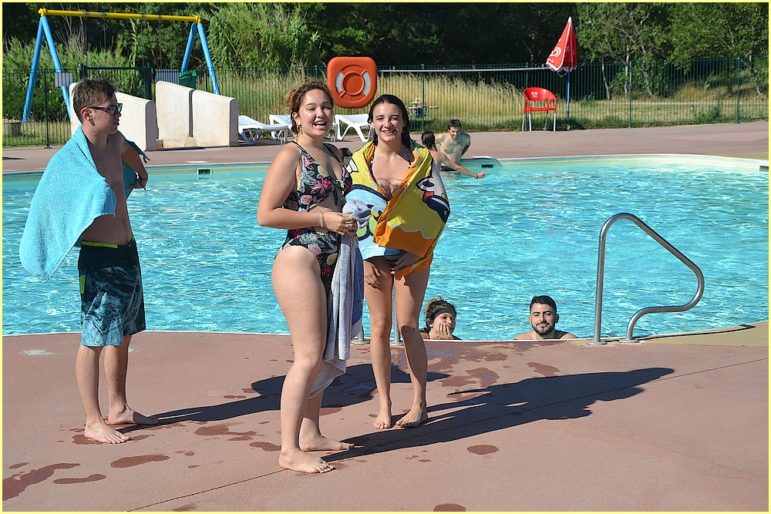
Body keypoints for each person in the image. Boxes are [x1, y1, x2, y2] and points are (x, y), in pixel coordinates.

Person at [19, 78, 155, 444]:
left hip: (127, 252)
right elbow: (49, 206)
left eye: (118, 108)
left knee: (123, 334)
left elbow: (129, 151)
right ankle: (92, 420)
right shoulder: (71, 161)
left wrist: (140, 173)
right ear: (88, 114)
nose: (118, 115)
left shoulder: (114, 142)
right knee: (93, 339)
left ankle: (119, 407)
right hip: (99, 258)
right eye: (112, 109)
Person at [257, 80, 358, 474]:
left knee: (326, 350)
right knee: (308, 355)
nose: (320, 114)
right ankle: (288, 449)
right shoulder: (291, 155)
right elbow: (266, 214)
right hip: (301, 259)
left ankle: (311, 432)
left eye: (326, 106)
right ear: (296, 116)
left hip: (334, 260)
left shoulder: (333, 152)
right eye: (311, 108)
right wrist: (323, 219)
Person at [347, 94, 450, 430]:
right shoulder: (360, 161)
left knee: (407, 326)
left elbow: (440, 207)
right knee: (379, 327)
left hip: (414, 252)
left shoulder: (421, 159)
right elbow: (350, 209)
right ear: (371, 123)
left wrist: (418, 250)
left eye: (393, 117)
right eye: (380, 118)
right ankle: (385, 403)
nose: (387, 124)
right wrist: (364, 255)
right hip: (372, 253)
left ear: (404, 121)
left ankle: (420, 403)